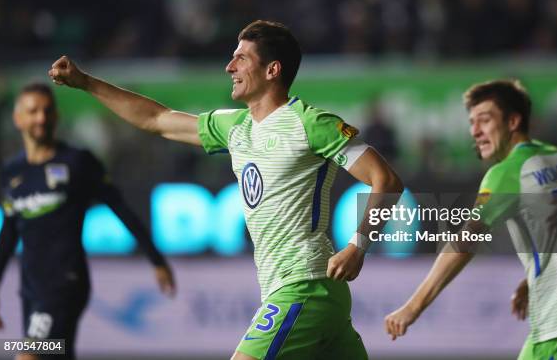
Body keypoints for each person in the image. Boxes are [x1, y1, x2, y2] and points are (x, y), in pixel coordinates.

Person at [48, 20, 403, 360]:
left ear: (272, 70)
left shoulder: (311, 124)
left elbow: (386, 181)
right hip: (309, 293)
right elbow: (155, 119)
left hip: (305, 283)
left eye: (241, 58)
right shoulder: (234, 127)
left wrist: (358, 246)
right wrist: (86, 83)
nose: (229, 66)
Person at [384, 80, 557, 359]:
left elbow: (464, 243)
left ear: (513, 121)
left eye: (485, 120)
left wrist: (412, 307)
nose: (475, 131)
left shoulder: (507, 172)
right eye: (471, 122)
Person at [0, 83, 176, 360]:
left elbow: (119, 207)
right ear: (18, 118)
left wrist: (156, 259)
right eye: (33, 111)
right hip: (31, 287)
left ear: (56, 116)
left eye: (47, 110)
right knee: (56, 354)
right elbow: (8, 235)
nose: (41, 118)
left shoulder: (77, 162)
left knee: (28, 354)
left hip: (66, 283)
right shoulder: (12, 173)